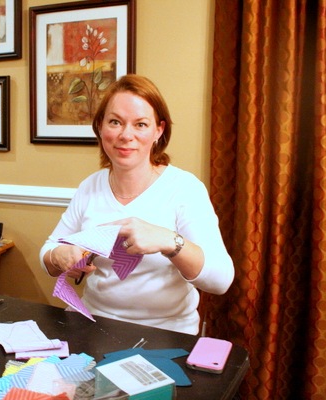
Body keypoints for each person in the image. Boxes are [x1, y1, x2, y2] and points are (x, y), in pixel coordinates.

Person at [39, 74, 234, 335]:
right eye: (115, 122)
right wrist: (58, 256)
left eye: (140, 124)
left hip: (166, 334)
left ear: (158, 131)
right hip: (93, 324)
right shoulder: (90, 187)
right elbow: (48, 251)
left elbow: (221, 281)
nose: (126, 135)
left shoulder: (185, 189)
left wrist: (170, 242)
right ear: (100, 127)